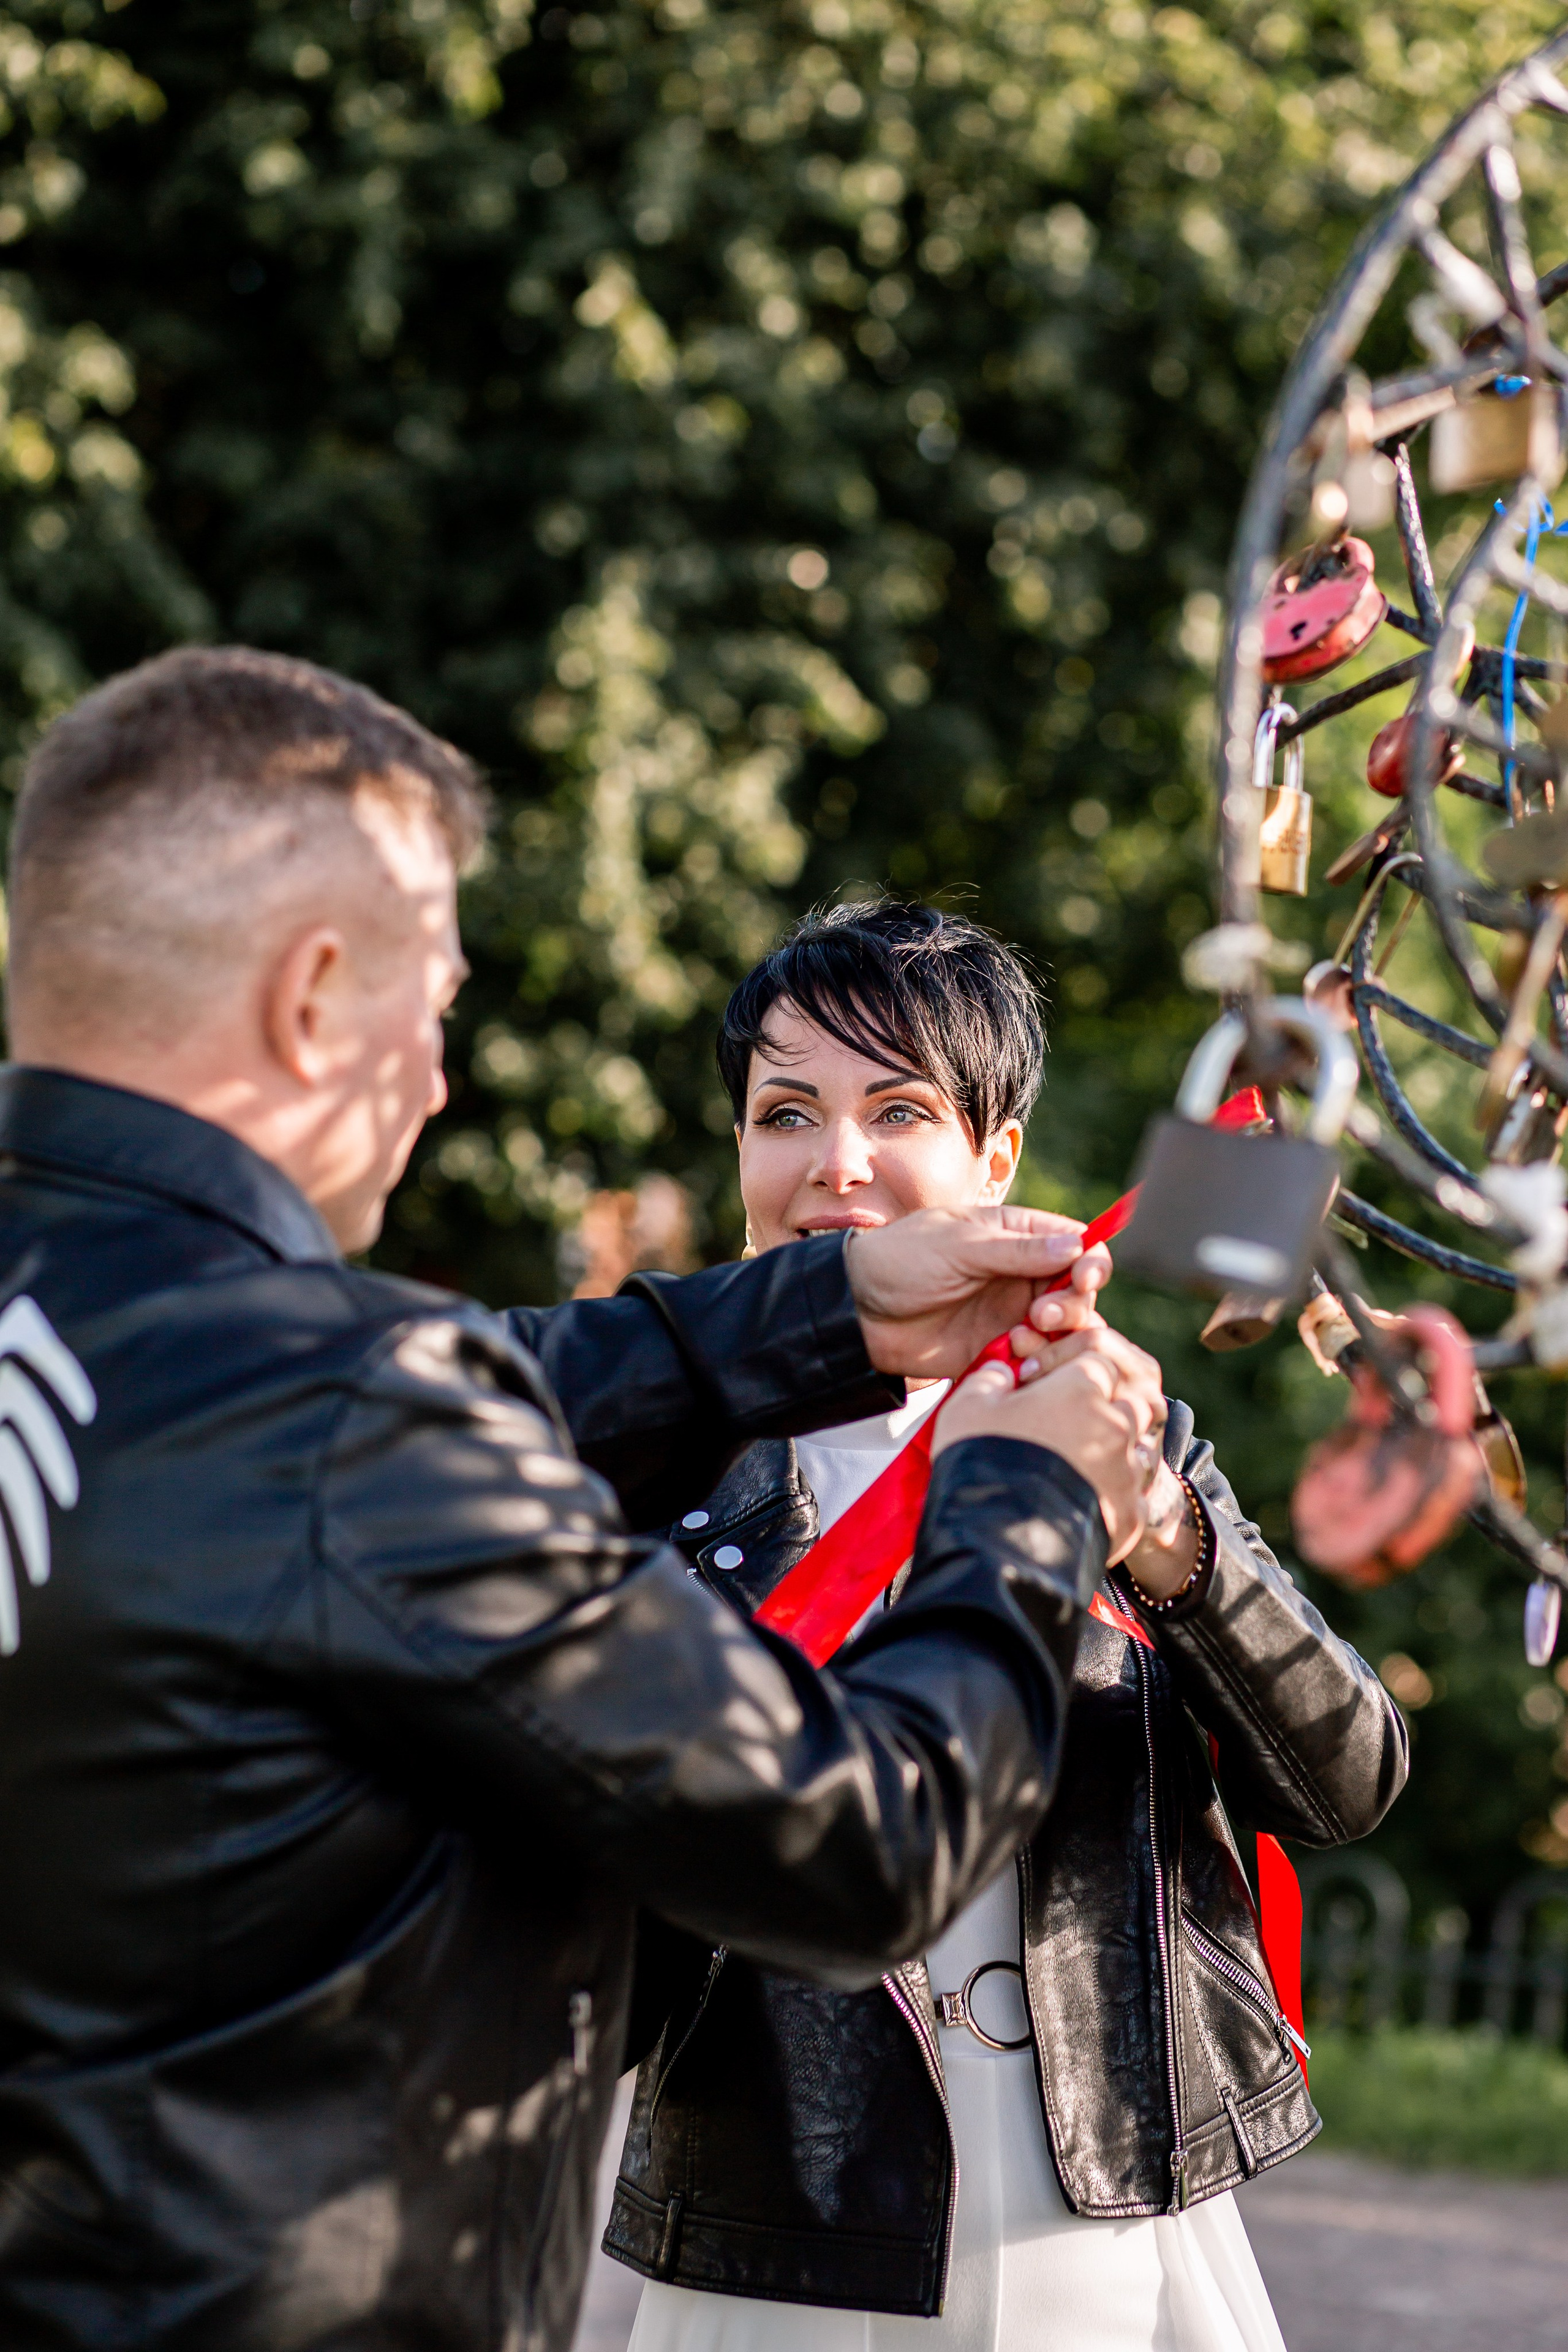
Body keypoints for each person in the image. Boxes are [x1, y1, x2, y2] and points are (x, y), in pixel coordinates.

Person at [0, 648, 1163, 2352]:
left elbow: (452, 1386)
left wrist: (826, 1311)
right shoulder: (340, 1419)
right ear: (317, 998)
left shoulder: (143, 1351)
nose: (437, 1079)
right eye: (435, 1000)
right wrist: (1031, 1498)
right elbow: (853, 1843)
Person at [603, 902, 1409, 2352]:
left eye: (895, 1107)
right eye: (783, 1112)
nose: (832, 1164)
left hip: (1101, 2195)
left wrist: (1160, 1528)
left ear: (999, 1158)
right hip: (770, 2222)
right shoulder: (655, 1466)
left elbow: (1350, 1778)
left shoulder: (1120, 1423)